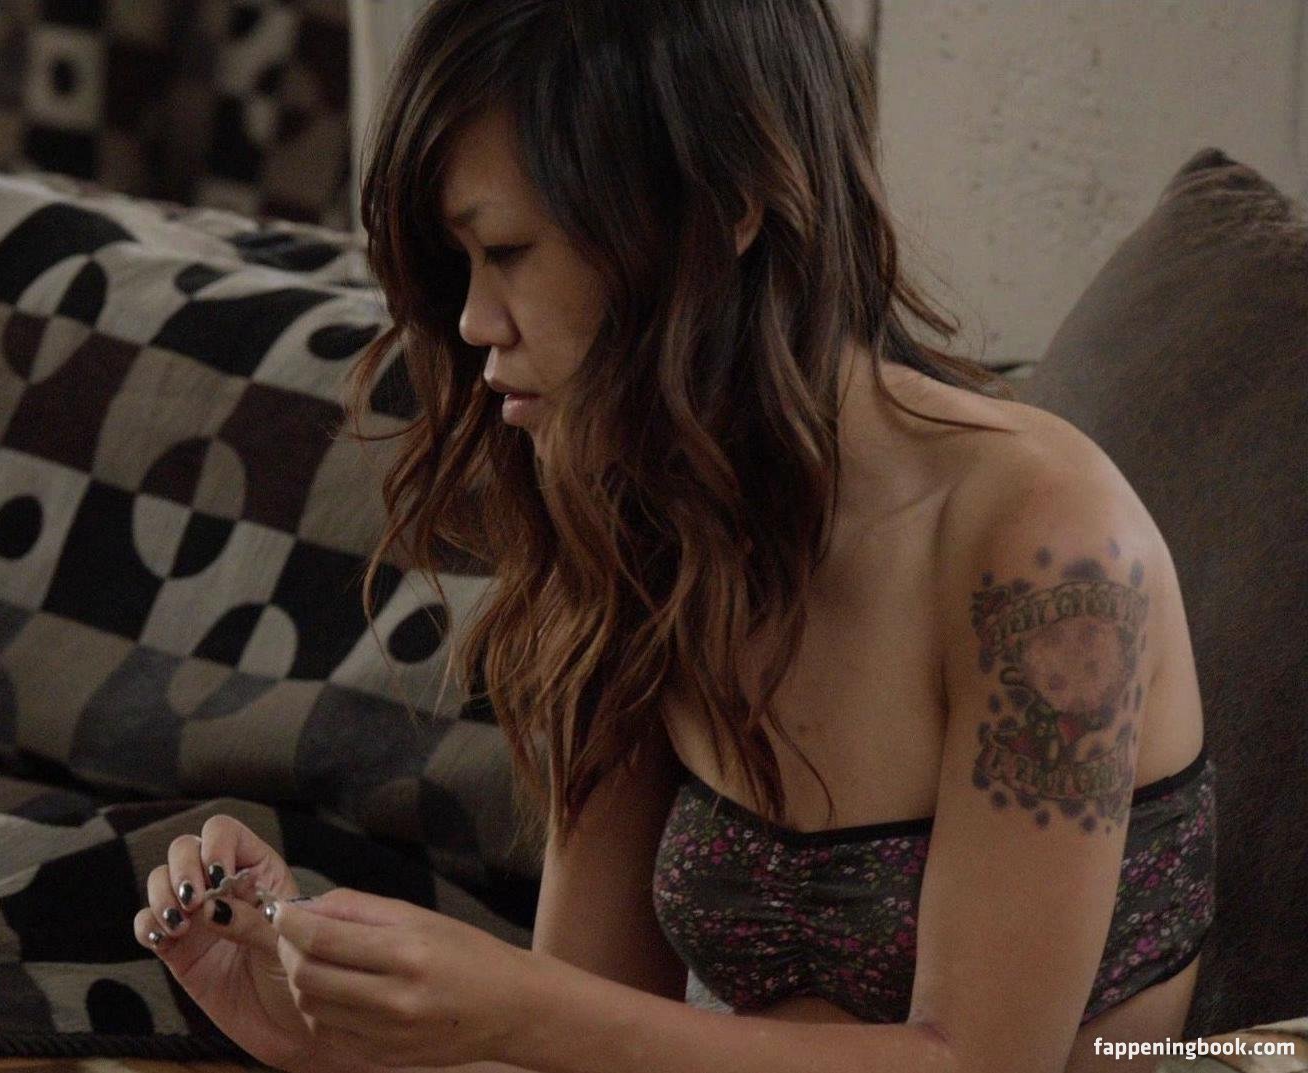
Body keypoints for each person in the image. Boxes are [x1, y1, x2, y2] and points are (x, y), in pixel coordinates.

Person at [129, 2, 1216, 1071]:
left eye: (508, 249)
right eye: (461, 264)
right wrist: (330, 1039)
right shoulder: (638, 507)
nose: (472, 322)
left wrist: (512, 1008)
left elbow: (981, 1064)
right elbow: (582, 1029)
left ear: (725, 208)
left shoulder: (1048, 550)